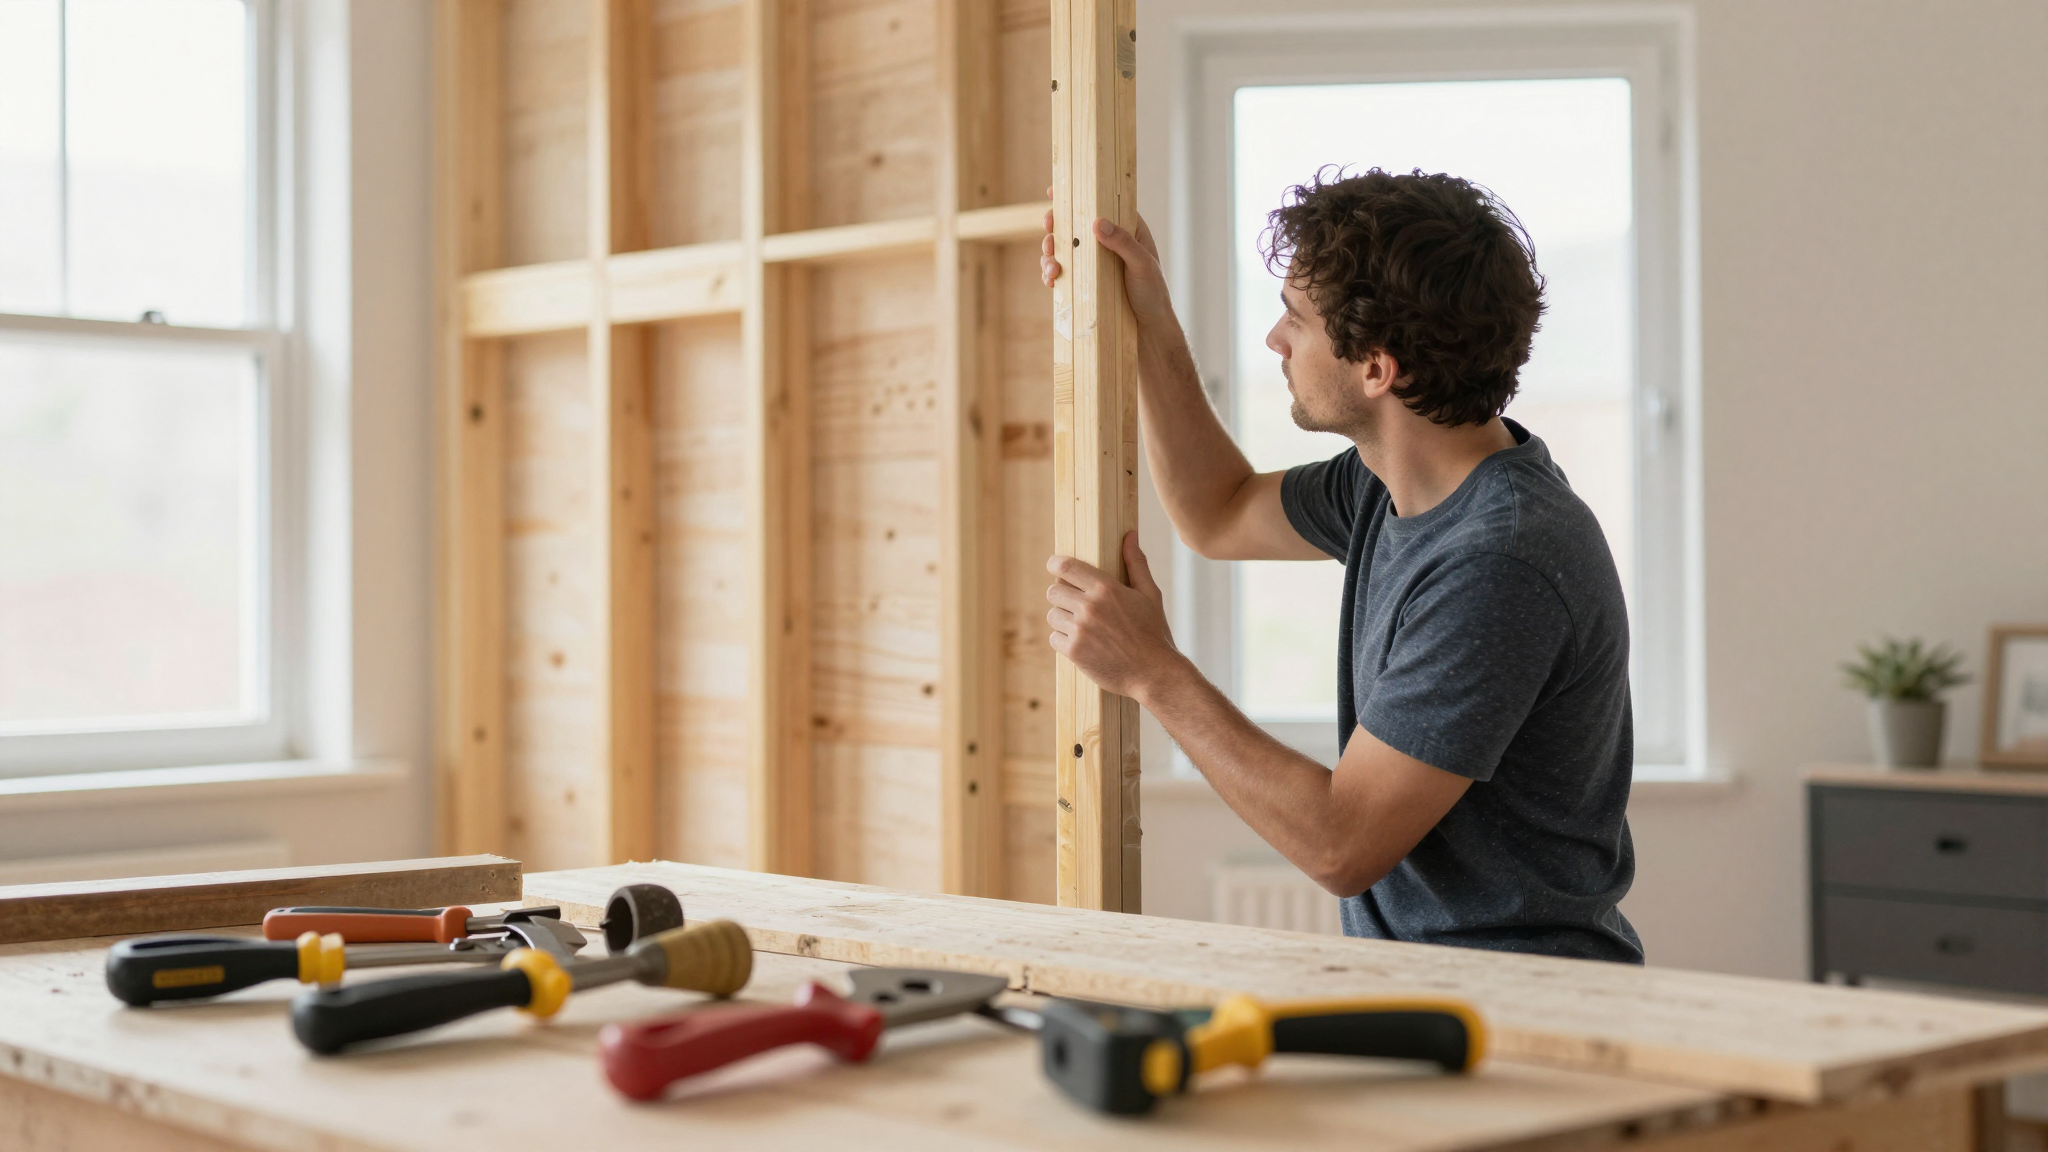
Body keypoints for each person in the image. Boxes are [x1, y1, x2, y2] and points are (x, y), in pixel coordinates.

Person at [1038, 168, 1642, 963]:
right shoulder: (1390, 483)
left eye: (1296, 319)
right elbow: (1216, 512)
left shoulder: (1502, 559)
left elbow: (1341, 843)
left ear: (1377, 369)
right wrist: (1150, 319)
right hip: (1435, 991)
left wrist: (1152, 672)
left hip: (1523, 1005)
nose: (1275, 340)